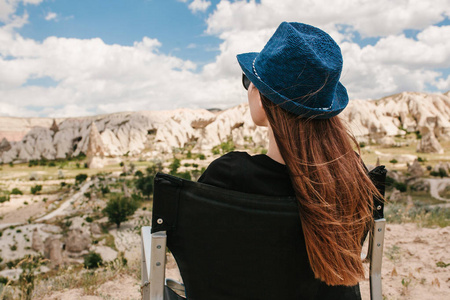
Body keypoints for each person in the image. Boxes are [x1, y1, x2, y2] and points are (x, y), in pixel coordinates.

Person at [198, 22, 381, 298]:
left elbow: (198, 253)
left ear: (263, 99)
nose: (249, 89)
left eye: (250, 81)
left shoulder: (229, 176)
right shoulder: (354, 176)